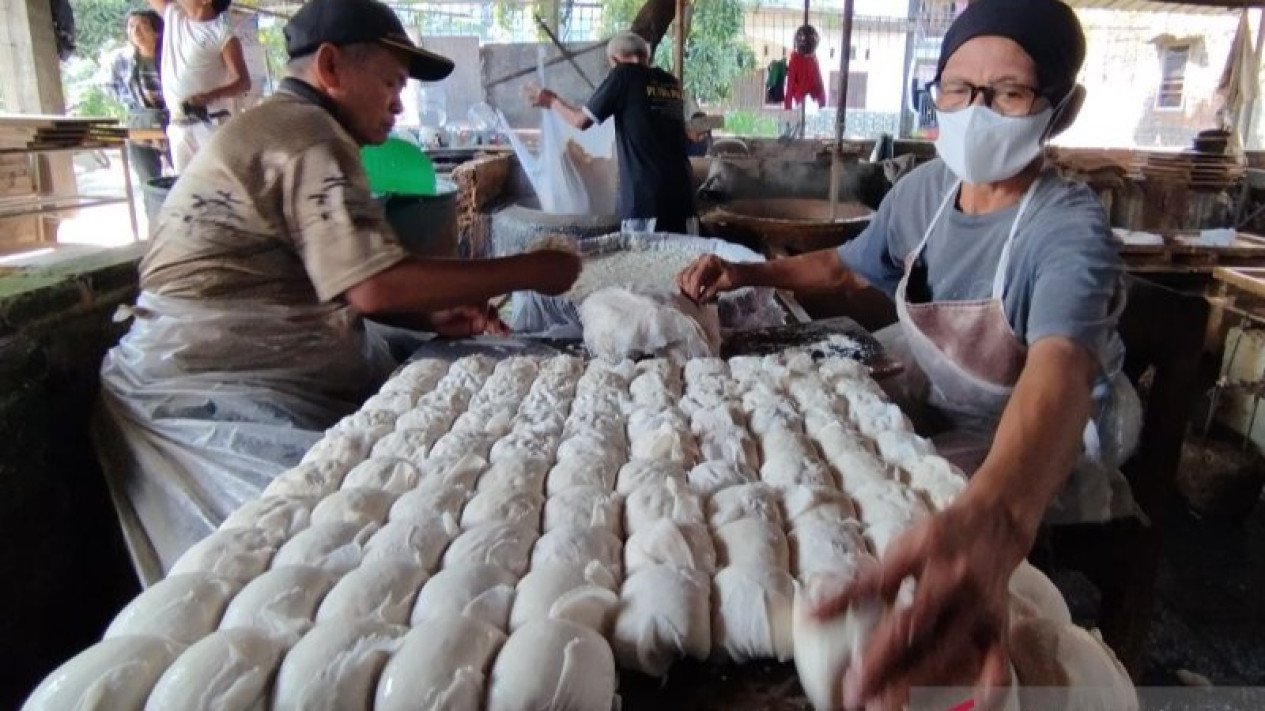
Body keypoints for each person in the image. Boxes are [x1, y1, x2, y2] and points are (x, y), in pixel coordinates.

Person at [679, 0, 1138, 705]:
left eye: (1008, 92)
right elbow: (843, 269)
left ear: (1060, 107)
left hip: (1046, 446)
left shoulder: (1067, 230)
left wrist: (997, 518)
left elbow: (1061, 366)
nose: (975, 109)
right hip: (952, 410)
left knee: (892, 537)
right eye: (957, 88)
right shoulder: (926, 191)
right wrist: (746, 272)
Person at [96, 0, 581, 584]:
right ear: (329, 66)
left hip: (232, 366)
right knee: (315, 566)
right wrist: (528, 270)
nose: (398, 103)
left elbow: (346, 283)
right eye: (389, 82)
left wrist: (426, 316)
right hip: (204, 396)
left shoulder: (294, 126)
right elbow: (374, 286)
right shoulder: (306, 134)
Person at [526, 32, 697, 234]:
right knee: (685, 261)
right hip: (684, 198)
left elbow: (580, 121)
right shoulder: (671, 82)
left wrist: (552, 101)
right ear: (646, 57)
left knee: (645, 263)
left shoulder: (623, 74)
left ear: (614, 60)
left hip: (647, 202)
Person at [147, 0, 250, 171]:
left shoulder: (222, 33)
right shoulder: (175, 16)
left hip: (210, 123)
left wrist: (211, 95)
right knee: (187, 188)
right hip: (179, 123)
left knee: (217, 184)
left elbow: (243, 82)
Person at [107, 9, 169, 185]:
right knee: (149, 180)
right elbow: (111, 88)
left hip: (170, 120)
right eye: (131, 27)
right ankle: (155, 211)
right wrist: (136, 103)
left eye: (142, 26)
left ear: (157, 32)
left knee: (184, 175)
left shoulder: (168, 56)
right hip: (140, 121)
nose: (135, 32)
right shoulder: (121, 59)